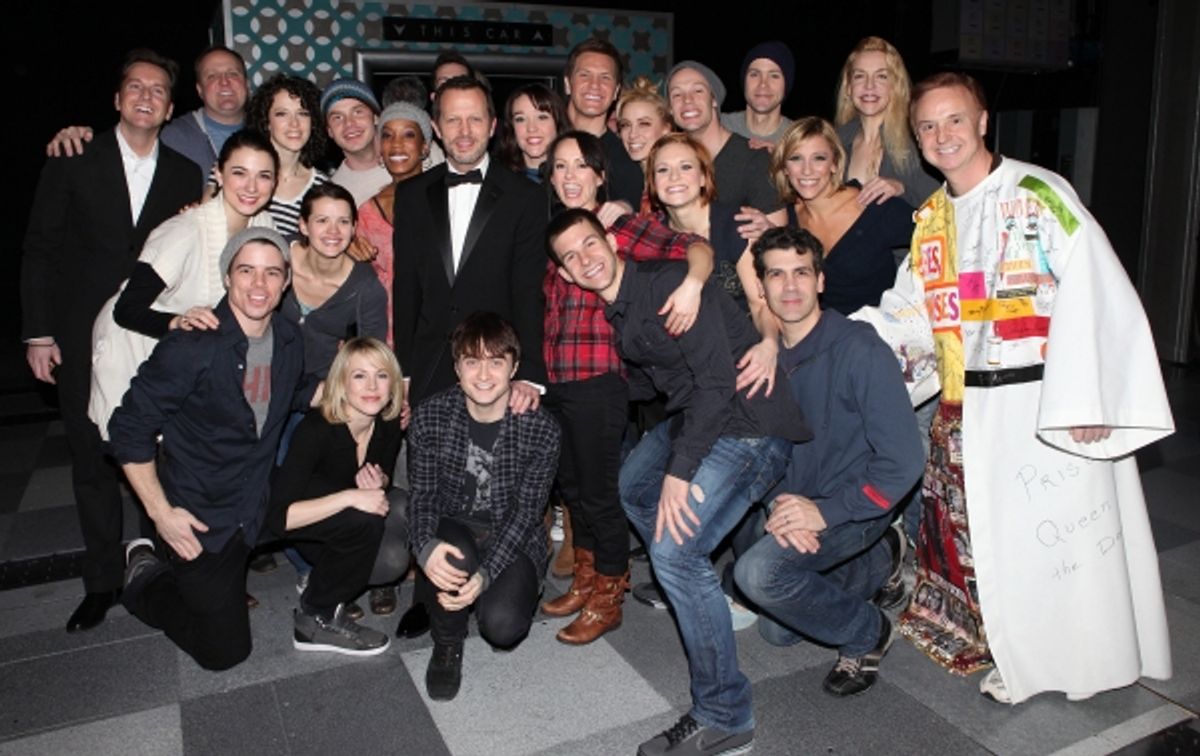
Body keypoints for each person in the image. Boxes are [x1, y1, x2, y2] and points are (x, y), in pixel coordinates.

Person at [876, 72, 1173, 704]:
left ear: (983, 121)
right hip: (966, 408)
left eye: (954, 119)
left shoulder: (1039, 193)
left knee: (1060, 546)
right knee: (992, 543)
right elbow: (910, 310)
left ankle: (1080, 663)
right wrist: (843, 348)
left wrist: (1088, 398)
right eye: (927, 126)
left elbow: (1096, 290)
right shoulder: (930, 219)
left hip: (1045, 402)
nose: (941, 135)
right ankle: (1017, 653)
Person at [548, 208, 809, 756]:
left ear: (612, 244)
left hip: (749, 424)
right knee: (632, 489)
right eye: (571, 257)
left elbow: (715, 384)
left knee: (672, 550)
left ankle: (726, 715)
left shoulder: (666, 285)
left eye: (589, 245)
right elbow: (660, 382)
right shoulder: (620, 310)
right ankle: (695, 586)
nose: (584, 259)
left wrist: (681, 472)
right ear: (567, 275)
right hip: (701, 416)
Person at [21, 48, 201, 633]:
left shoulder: (183, 172)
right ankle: (101, 581)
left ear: (170, 107)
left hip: (150, 338)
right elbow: (40, 250)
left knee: (160, 455)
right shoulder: (74, 158)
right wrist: (39, 332)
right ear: (118, 99)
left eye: (157, 90)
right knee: (92, 460)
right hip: (79, 337)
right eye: (135, 87)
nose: (146, 96)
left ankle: (164, 568)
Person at [111, 228, 336, 670]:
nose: (259, 285)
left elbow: (294, 391)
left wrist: (365, 390)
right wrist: (162, 514)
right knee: (224, 653)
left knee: (356, 514)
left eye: (272, 273)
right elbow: (128, 429)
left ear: (286, 282)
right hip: (201, 515)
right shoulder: (192, 345)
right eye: (246, 271)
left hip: (255, 499)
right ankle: (145, 576)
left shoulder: (289, 338)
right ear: (227, 277)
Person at [732, 226, 924, 697]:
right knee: (778, 630)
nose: (791, 286)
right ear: (761, 288)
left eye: (802, 272)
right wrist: (781, 505)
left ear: (820, 280)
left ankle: (869, 633)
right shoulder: (762, 356)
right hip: (793, 502)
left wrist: (826, 512)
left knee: (757, 575)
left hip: (853, 505)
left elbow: (903, 462)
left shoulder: (860, 349)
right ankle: (881, 563)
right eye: (776, 275)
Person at [540, 131, 713, 643]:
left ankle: (609, 595)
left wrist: (693, 283)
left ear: (599, 174)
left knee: (599, 492)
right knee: (572, 488)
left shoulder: (621, 227)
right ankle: (589, 579)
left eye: (580, 166)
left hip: (601, 379)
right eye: (559, 167)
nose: (570, 176)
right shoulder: (554, 236)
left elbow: (695, 246)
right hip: (557, 381)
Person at [408, 312, 560, 701]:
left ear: (513, 368)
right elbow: (422, 496)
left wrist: (487, 576)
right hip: (454, 523)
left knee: (503, 627)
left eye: (496, 361)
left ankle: (501, 588)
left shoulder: (541, 429)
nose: (484, 374)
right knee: (449, 559)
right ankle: (447, 644)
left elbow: (527, 514)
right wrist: (425, 547)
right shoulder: (430, 417)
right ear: (457, 368)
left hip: (511, 531)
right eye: (472, 361)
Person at [88, 129, 278, 438]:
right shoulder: (184, 231)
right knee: (139, 446)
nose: (251, 187)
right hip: (135, 342)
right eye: (239, 173)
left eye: (264, 176)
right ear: (218, 172)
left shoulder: (264, 226)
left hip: (189, 351)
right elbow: (126, 310)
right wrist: (178, 321)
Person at [391, 76, 547, 406]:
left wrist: (530, 372)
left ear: (492, 126)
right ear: (435, 126)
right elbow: (406, 288)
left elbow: (529, 291)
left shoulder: (526, 197)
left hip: (498, 371)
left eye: (474, 119)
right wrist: (404, 371)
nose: (464, 131)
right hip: (429, 368)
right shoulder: (410, 195)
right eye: (453, 120)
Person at [270, 337, 409, 653]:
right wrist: (351, 496)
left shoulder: (387, 422)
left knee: (399, 507)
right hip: (310, 529)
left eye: (382, 375)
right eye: (359, 375)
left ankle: (334, 589)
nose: (372, 385)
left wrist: (381, 479)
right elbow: (279, 518)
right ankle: (314, 613)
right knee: (366, 518)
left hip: (348, 529)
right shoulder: (316, 430)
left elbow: (384, 476)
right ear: (342, 383)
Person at [45, 46, 249, 188]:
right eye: (212, 75)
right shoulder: (171, 137)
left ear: (246, 84)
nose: (224, 82)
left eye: (233, 74)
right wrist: (76, 138)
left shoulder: (271, 134)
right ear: (199, 90)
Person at [770, 117, 913, 314]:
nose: (807, 170)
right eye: (796, 158)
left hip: (883, 336)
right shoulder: (786, 219)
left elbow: (945, 235)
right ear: (785, 168)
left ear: (835, 163)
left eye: (819, 158)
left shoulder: (874, 206)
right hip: (824, 336)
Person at [666, 60, 782, 225]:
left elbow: (780, 236)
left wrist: (768, 230)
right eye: (677, 94)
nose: (687, 100)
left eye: (698, 91)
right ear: (671, 109)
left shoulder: (755, 160)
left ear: (714, 100)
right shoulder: (671, 167)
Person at [357, 102, 431, 346]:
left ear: (425, 147)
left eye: (408, 135)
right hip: (382, 334)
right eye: (387, 135)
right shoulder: (366, 212)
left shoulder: (445, 199)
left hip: (434, 331)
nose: (396, 144)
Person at [834, 36, 939, 208]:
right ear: (848, 87)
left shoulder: (917, 141)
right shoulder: (835, 141)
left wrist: (902, 190)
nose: (869, 86)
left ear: (895, 86)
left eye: (882, 76)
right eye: (860, 76)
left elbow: (947, 204)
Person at [561, 37, 644, 208]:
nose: (594, 85)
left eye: (605, 78)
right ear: (568, 84)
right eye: (585, 75)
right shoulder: (540, 140)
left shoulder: (625, 165)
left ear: (616, 91)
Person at [242, 75, 328, 235]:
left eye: (302, 113)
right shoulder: (238, 171)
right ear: (266, 121)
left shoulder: (322, 187)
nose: (294, 123)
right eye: (282, 114)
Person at [322, 78, 390, 206]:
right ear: (330, 131)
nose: (349, 123)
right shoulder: (333, 194)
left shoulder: (418, 157)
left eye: (358, 112)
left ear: (376, 117)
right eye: (337, 117)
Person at [719, 41, 795, 150]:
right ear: (744, 82)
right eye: (754, 74)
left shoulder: (798, 138)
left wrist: (782, 162)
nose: (763, 84)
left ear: (786, 86)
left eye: (774, 76)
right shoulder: (719, 126)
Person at [615, 76, 674, 213]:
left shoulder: (676, 178)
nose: (632, 134)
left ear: (666, 130)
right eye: (625, 125)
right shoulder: (623, 176)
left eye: (644, 124)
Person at [497, 83, 569, 183]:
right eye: (520, 119)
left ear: (558, 123)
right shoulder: (497, 178)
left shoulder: (573, 177)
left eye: (542, 117)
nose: (531, 128)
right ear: (511, 127)